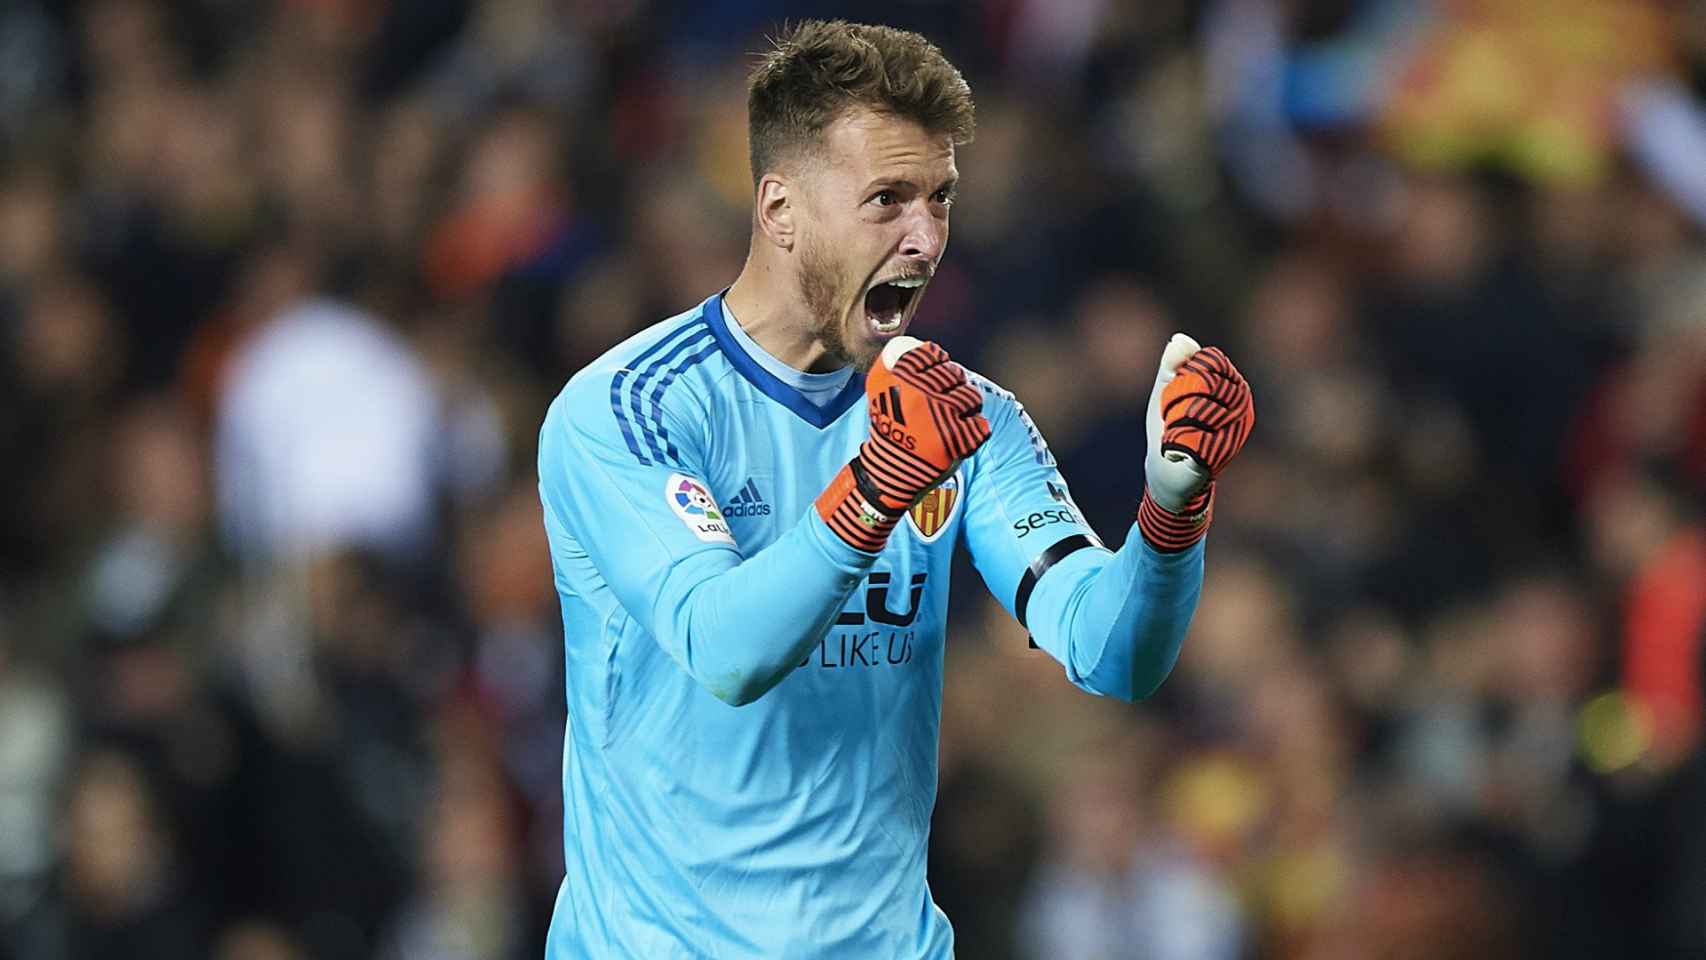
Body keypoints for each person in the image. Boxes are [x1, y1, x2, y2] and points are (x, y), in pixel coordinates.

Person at [535, 19, 1255, 957]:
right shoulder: (626, 411)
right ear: (779, 208)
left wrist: (1172, 513)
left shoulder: (968, 419)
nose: (924, 238)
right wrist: (875, 488)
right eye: (887, 200)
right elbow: (725, 649)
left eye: (940, 198)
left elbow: (1111, 651)